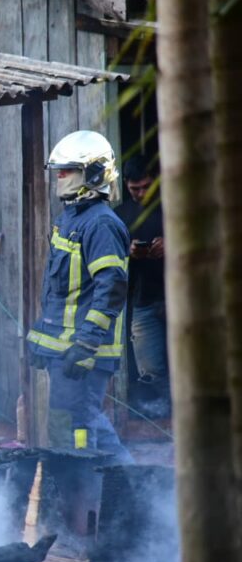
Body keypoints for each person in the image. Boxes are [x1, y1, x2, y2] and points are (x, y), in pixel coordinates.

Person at [26, 130, 133, 463]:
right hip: (65, 351)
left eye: (68, 170)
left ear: (94, 174)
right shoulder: (71, 219)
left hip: (85, 352)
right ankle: (123, 485)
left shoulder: (100, 224)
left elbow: (110, 289)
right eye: (59, 170)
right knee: (77, 423)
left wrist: (87, 344)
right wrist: (42, 339)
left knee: (78, 430)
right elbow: (65, 294)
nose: (60, 176)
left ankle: (93, 486)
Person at [114, 157, 169, 418]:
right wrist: (129, 251)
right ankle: (163, 419)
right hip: (143, 300)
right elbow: (107, 257)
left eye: (147, 186)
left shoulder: (176, 207)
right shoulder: (119, 216)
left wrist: (171, 244)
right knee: (150, 370)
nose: (142, 193)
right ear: (126, 184)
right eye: (135, 188)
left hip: (183, 299)